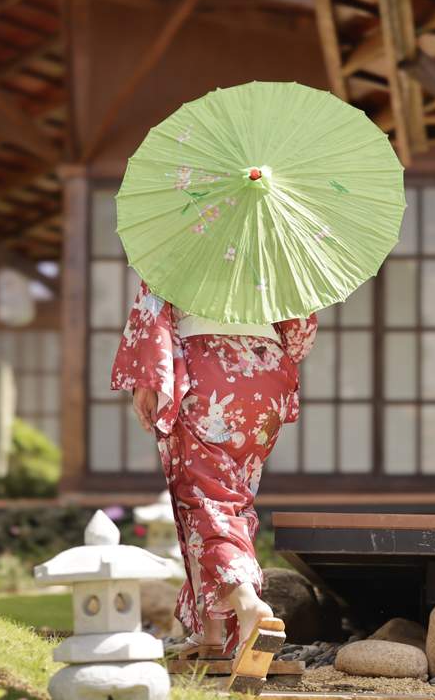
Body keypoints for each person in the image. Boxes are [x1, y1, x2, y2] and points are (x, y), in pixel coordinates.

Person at [111, 281, 317, 658]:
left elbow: (154, 304)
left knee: (204, 497)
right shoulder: (273, 242)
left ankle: (248, 603)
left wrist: (149, 380)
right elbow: (300, 332)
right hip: (265, 371)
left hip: (206, 363)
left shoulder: (185, 233)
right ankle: (213, 632)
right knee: (233, 497)